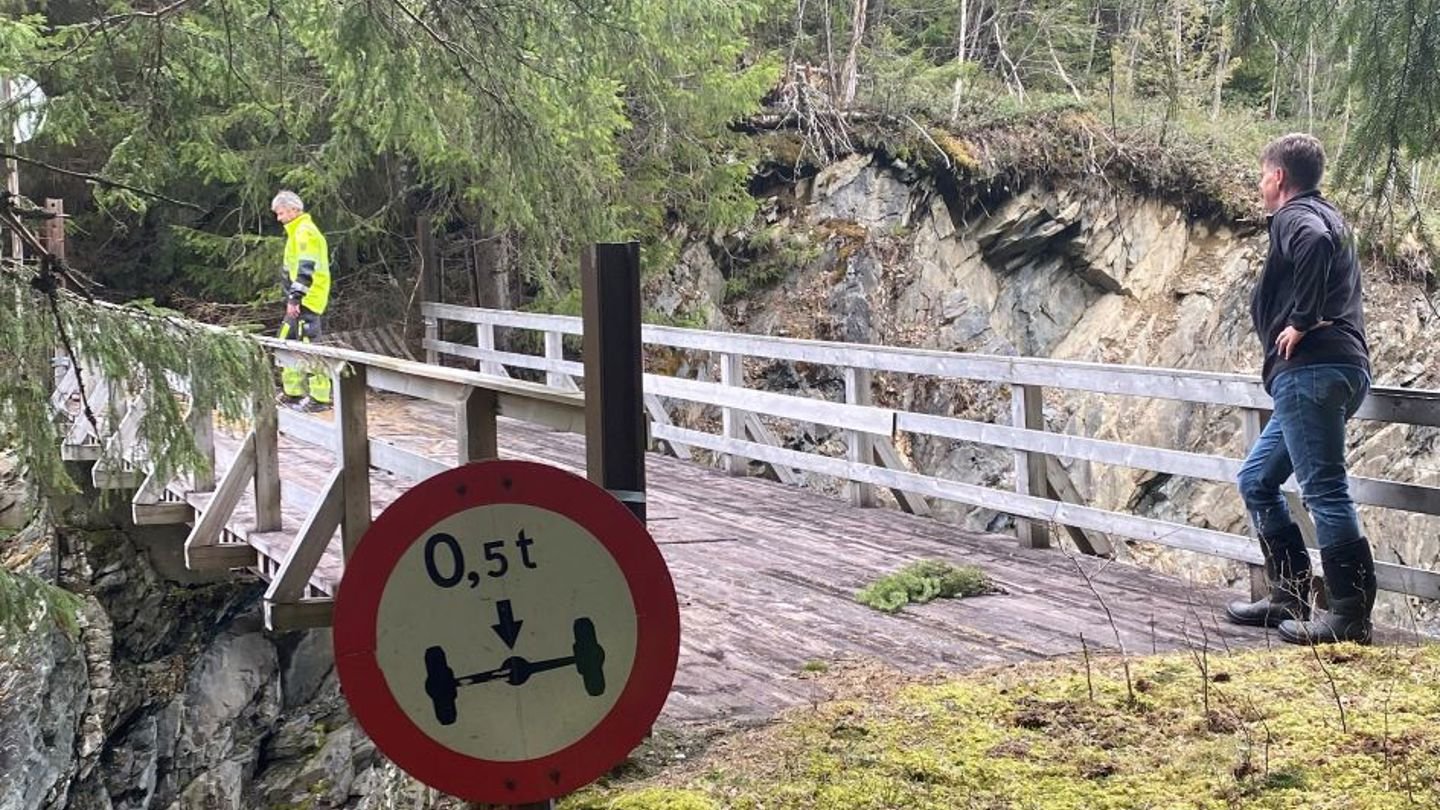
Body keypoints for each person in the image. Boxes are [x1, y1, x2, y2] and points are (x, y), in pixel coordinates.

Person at [1224, 133, 1375, 645]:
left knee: (1324, 489)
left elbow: (1312, 244)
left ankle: (1349, 614)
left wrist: (1301, 320)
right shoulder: (1332, 216)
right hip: (1334, 370)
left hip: (1312, 371)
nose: (1260, 185)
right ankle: (1288, 595)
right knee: (1256, 480)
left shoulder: (1297, 216)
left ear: (1279, 176)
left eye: (1262, 176)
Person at [271, 190, 333, 412]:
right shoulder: (296, 232)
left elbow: (307, 269)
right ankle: (293, 392)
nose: (279, 218)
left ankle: (320, 398)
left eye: (281, 213)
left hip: (308, 298)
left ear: (294, 210)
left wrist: (295, 298)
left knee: (309, 345)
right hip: (300, 298)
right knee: (287, 340)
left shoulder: (305, 232)